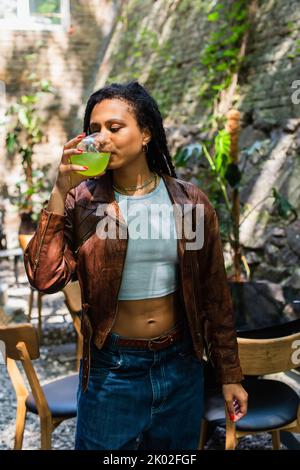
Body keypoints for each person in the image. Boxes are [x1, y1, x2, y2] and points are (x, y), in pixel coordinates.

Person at [24, 80, 248, 450]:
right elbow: (44, 278)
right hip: (112, 369)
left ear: (145, 133)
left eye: (114, 127)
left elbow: (214, 294)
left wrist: (230, 375)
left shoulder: (189, 202)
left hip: (180, 365)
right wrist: (61, 189)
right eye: (94, 129)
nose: (102, 138)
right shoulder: (84, 202)